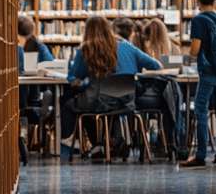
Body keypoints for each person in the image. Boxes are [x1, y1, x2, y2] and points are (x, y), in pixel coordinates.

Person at [61, 16, 160, 155]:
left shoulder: (86, 50)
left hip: (97, 101)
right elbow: (155, 65)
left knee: (70, 104)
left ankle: (67, 144)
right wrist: (135, 72)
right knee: (98, 105)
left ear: (87, 32)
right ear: (109, 29)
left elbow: (73, 81)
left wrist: (84, 80)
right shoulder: (126, 46)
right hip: (125, 101)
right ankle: (109, 143)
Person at [180, 0, 216, 168]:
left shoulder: (198, 20)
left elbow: (195, 49)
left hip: (207, 71)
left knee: (200, 110)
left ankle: (200, 156)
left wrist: (189, 53)